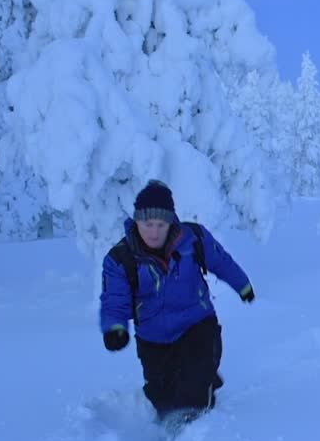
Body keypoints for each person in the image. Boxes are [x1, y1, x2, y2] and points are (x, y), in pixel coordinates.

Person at [99, 180, 255, 425]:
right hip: (153, 338)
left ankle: (197, 423)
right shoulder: (120, 258)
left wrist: (242, 285)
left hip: (197, 324)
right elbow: (114, 300)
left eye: (160, 224)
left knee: (194, 384)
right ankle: (175, 421)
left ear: (171, 221)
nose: (154, 232)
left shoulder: (194, 240)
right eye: (147, 224)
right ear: (136, 221)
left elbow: (222, 262)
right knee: (162, 396)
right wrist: (115, 328)